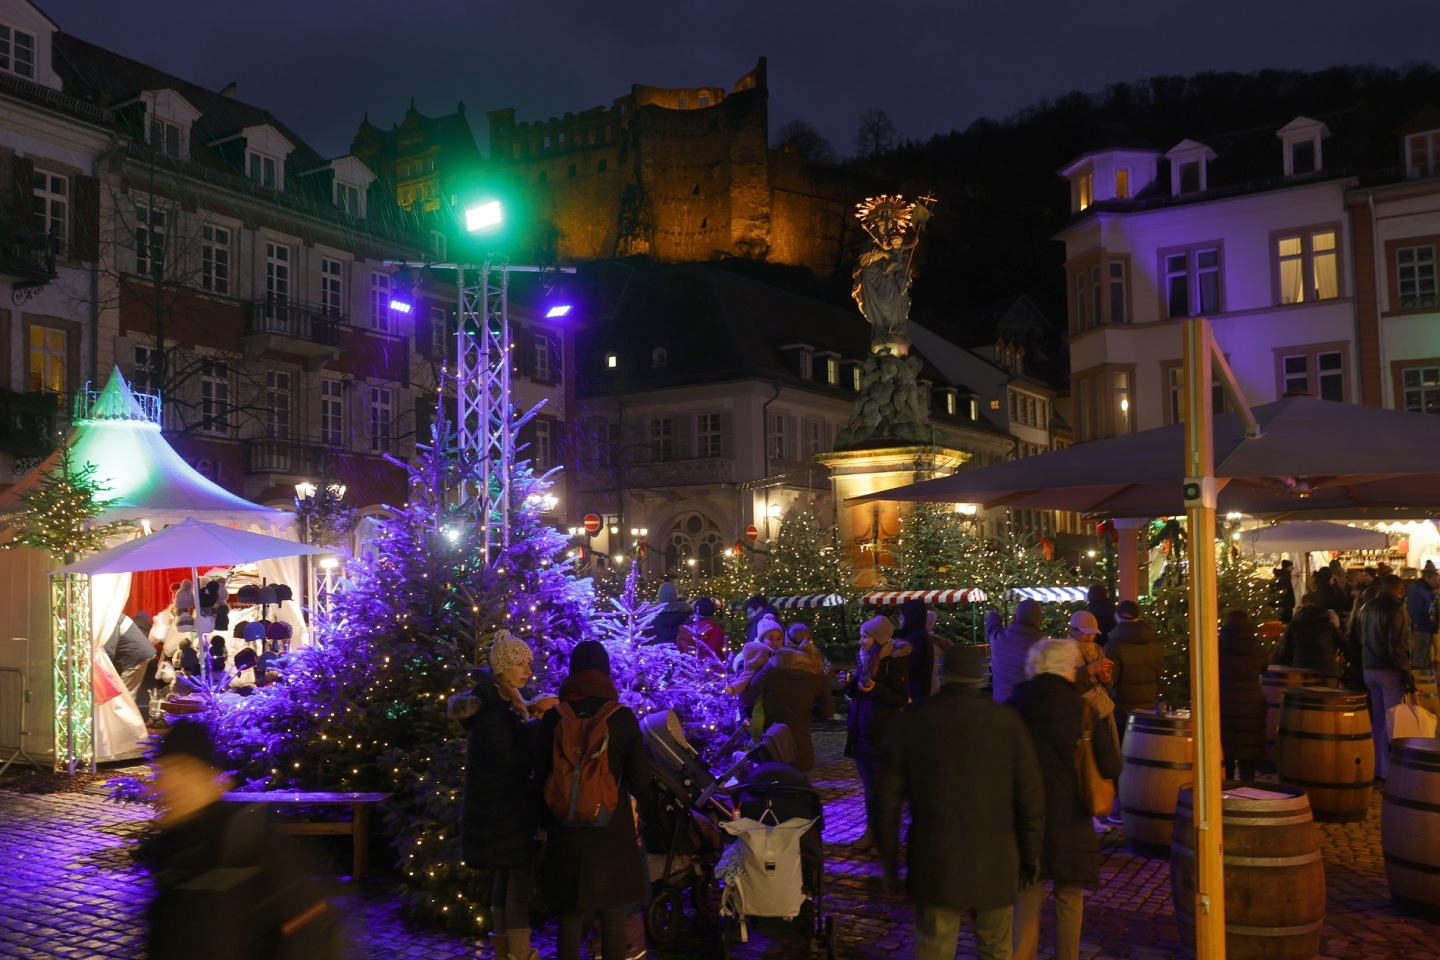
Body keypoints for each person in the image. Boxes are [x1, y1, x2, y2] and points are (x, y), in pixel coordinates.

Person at [878, 644, 1046, 960]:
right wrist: (1030, 856)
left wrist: (890, 862)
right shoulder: (1005, 721)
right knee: (996, 947)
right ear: (979, 678)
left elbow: (886, 799)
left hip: (936, 855)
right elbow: (1031, 798)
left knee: (935, 947)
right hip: (996, 856)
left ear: (943, 675)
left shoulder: (913, 719)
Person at [145, 720, 341, 960]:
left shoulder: (249, 841)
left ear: (211, 778)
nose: (171, 784)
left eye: (184, 769)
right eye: (165, 772)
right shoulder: (170, 853)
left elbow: (312, 929)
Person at [536, 640, 655, 960]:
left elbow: (539, 774)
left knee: (571, 915)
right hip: (611, 830)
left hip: (565, 826)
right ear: (604, 671)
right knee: (614, 913)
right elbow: (641, 781)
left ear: (573, 670)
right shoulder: (621, 718)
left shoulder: (554, 718)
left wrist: (543, 822)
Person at [1008, 639, 1120, 960]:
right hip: (1071, 820)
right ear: (1069, 668)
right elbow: (1112, 765)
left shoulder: (1012, 707)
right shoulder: (1085, 711)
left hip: (1024, 819)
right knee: (1069, 898)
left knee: (1026, 897)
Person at [449, 634, 554, 960]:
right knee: (517, 881)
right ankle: (518, 953)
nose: (527, 671)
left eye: (529, 664)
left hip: (502, 808)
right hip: (503, 810)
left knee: (507, 876)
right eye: (520, 664)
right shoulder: (493, 710)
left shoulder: (503, 702)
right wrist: (538, 729)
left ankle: (505, 949)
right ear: (503, 667)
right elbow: (508, 759)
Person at [846, 615, 911, 848]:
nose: (861, 640)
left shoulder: (893, 661)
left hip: (881, 731)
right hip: (862, 729)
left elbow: (899, 698)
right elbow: (859, 694)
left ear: (879, 639)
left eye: (866, 636)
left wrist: (876, 688)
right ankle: (872, 831)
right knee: (869, 787)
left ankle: (885, 833)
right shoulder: (864, 658)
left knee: (882, 788)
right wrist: (850, 685)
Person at [740, 626, 835, 773]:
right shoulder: (817, 672)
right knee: (799, 790)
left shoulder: (772, 668)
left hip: (773, 745)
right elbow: (827, 711)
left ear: (786, 642)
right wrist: (806, 709)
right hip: (802, 747)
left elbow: (746, 697)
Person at [1356, 574, 1415, 779]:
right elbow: (1397, 646)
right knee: (1392, 720)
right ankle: (1388, 769)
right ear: (1400, 590)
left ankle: (1375, 765)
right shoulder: (1396, 609)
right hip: (1388, 670)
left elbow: (1359, 639)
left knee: (1379, 718)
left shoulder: (1367, 608)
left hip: (1369, 667)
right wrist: (1406, 675)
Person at [1103, 600, 1165, 750]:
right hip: (1148, 708)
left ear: (1116, 617)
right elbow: (1158, 675)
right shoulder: (1154, 644)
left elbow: (1110, 681)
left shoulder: (1114, 646)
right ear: (1138, 616)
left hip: (1121, 710)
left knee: (1124, 756)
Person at [1217, 610, 1267, 781]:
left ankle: (1226, 790)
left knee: (1226, 751)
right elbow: (1262, 667)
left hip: (1225, 700)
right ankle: (1248, 790)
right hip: (1251, 703)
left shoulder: (1219, 644)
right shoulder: (1255, 645)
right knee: (1248, 752)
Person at [1270, 602, 1346, 685]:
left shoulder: (1294, 626)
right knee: (1327, 696)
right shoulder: (1328, 625)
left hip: (1303, 671)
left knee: (1306, 696)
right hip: (1328, 671)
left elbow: (1285, 652)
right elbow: (1344, 644)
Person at [987, 599, 1046, 704]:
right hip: (1029, 709)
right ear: (1040, 622)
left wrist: (994, 615)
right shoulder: (1044, 648)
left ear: (1014, 618)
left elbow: (992, 628)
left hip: (1001, 708)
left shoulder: (998, 640)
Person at [726, 615, 784, 696]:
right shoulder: (757, 655)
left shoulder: (784, 655)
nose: (775, 642)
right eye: (770, 638)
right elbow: (746, 676)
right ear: (762, 639)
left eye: (779, 638)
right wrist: (733, 688)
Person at [104, 614, 156, 699]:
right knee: (125, 696)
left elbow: (109, 651)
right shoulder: (113, 616)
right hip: (137, 655)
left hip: (135, 658)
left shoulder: (110, 619)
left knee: (123, 698)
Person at [898, 598, 936, 703]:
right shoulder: (918, 635)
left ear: (911, 617)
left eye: (903, 615)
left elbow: (907, 664)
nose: (900, 618)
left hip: (914, 692)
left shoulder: (916, 637)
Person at [1067, 611, 1112, 697]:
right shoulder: (1065, 651)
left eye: (1093, 633)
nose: (1090, 637)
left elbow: (1106, 688)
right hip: (1079, 706)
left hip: (1100, 704)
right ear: (1072, 630)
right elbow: (1064, 683)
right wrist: (1089, 670)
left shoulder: (1097, 649)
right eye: (1084, 633)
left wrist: (1106, 679)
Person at [1407, 561, 1439, 672]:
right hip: (1420, 627)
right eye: (1434, 580)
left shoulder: (1426, 589)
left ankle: (1425, 685)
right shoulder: (1416, 589)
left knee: (1425, 658)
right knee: (1419, 658)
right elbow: (1414, 609)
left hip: (1427, 627)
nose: (1436, 582)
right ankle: (1418, 685)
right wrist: (1434, 608)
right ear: (1427, 577)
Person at [646, 581, 691, 646]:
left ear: (660, 597)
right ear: (675, 595)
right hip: (681, 652)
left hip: (659, 652)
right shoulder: (687, 615)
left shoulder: (651, 618)